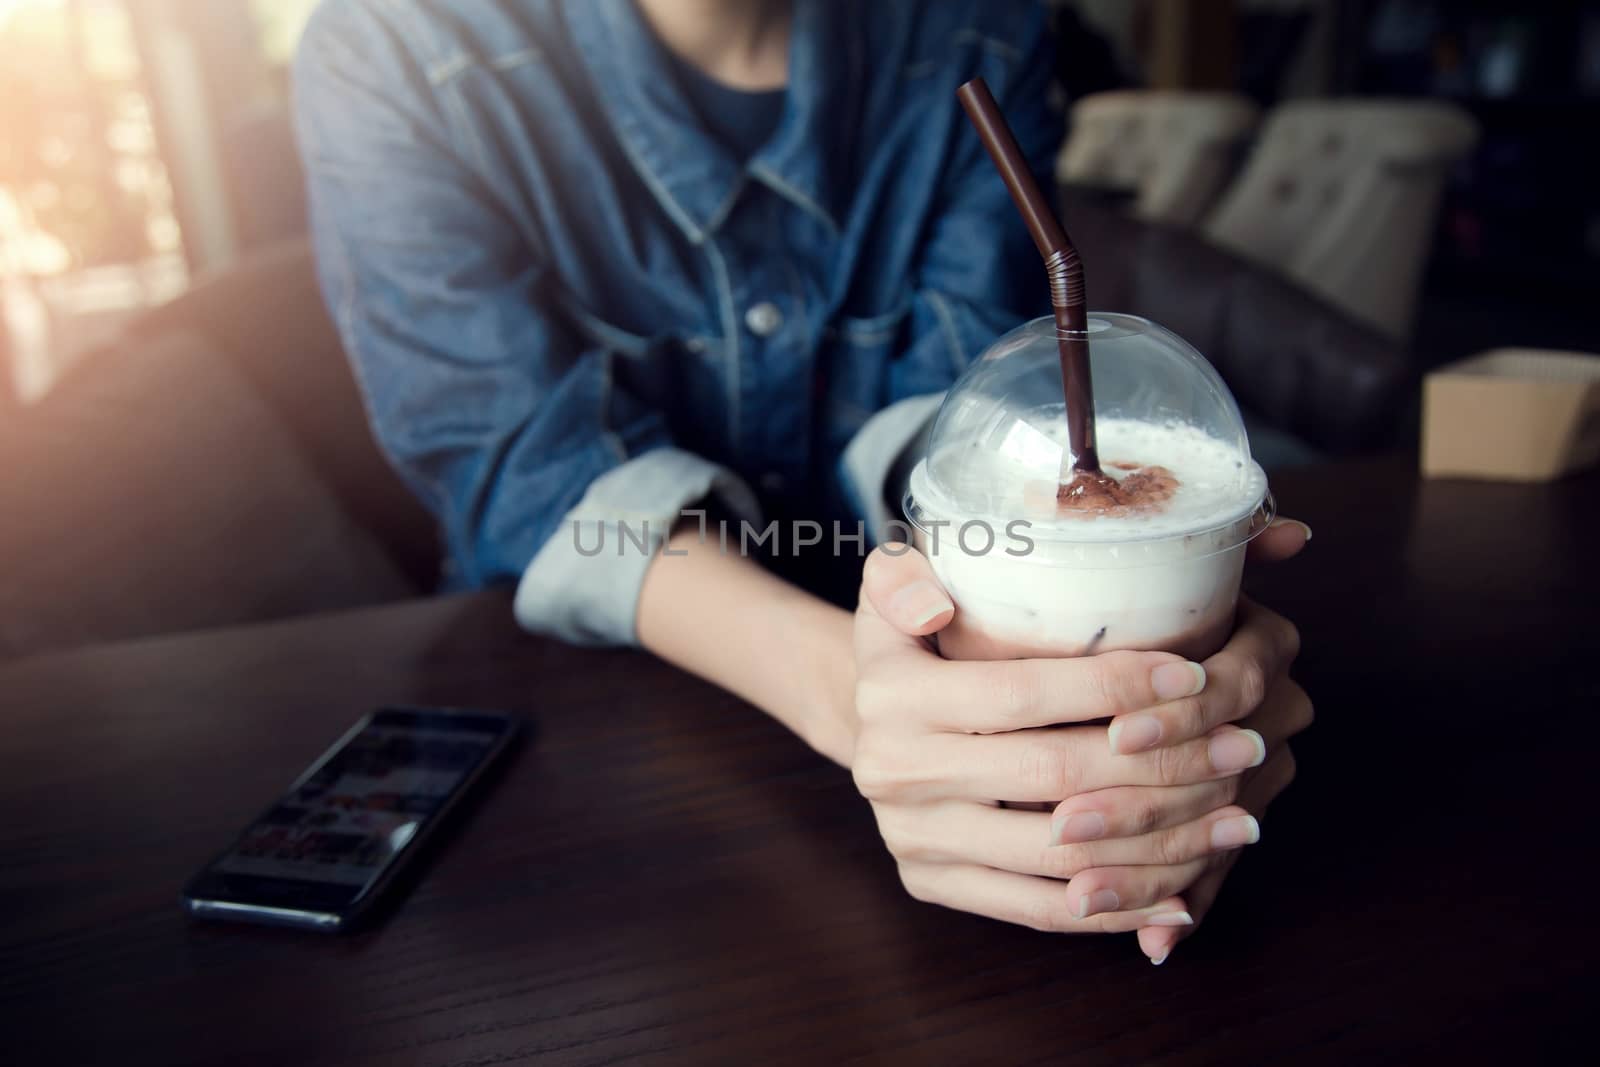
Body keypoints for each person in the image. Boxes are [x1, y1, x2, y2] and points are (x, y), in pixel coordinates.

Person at [294, 0, 1313, 965]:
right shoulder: (389, 44)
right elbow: (513, 458)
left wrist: (1113, 695)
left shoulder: (981, 25)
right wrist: (855, 693)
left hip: (924, 652)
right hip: (559, 752)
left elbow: (962, 420)